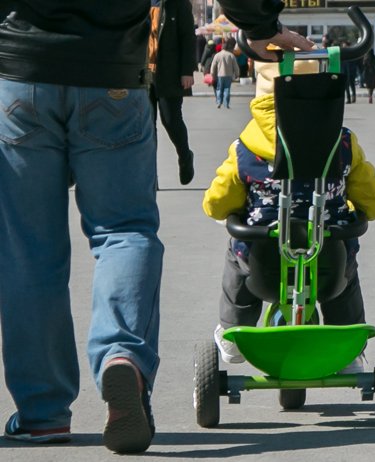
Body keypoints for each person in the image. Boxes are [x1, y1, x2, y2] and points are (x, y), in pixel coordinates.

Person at [0, 0, 311, 453]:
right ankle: (121, 355)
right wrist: (259, 24)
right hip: (114, 75)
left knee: (28, 250)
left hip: (20, 71)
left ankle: (42, 412)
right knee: (124, 231)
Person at [202, 60, 375, 369]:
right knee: (345, 264)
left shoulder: (245, 147)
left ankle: (232, 330)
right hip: (328, 259)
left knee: (237, 255)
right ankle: (348, 343)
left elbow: (216, 204)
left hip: (263, 260)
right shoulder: (342, 143)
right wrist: (357, 210)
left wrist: (234, 210)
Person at [148, 0, 197, 186]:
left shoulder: (178, 4)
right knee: (147, 128)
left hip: (169, 73)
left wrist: (187, 71)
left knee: (171, 120)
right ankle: (150, 177)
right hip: (142, 73)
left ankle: (185, 156)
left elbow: (187, 37)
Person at [210, 38, 240, 109]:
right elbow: (235, 66)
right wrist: (237, 74)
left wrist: (212, 74)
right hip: (229, 75)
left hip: (220, 75)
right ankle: (226, 103)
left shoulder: (217, 55)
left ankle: (219, 102)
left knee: (219, 88)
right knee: (227, 89)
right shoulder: (231, 55)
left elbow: (213, 66)